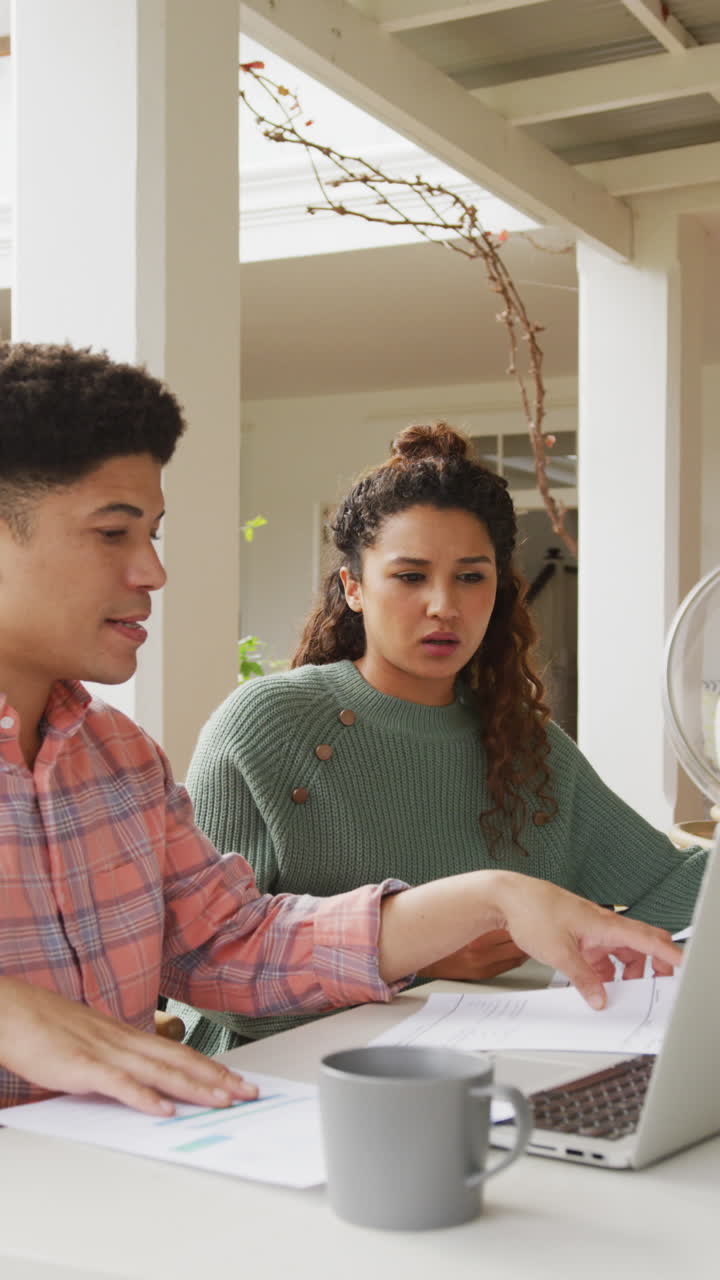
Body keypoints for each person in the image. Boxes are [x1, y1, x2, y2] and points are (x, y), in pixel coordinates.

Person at [0, 345, 682, 1112]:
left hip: (122, 1180)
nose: (153, 571)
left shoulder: (120, 763)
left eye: (152, 535)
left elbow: (226, 947)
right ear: (353, 588)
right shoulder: (269, 724)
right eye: (112, 534)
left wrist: (494, 895)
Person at [171, 422, 706, 1055]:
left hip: (487, 1073)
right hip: (280, 1085)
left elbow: (676, 888)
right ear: (354, 589)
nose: (444, 605)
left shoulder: (528, 748)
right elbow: (203, 977)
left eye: (471, 577)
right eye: (410, 576)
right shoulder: (267, 726)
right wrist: (421, 957)